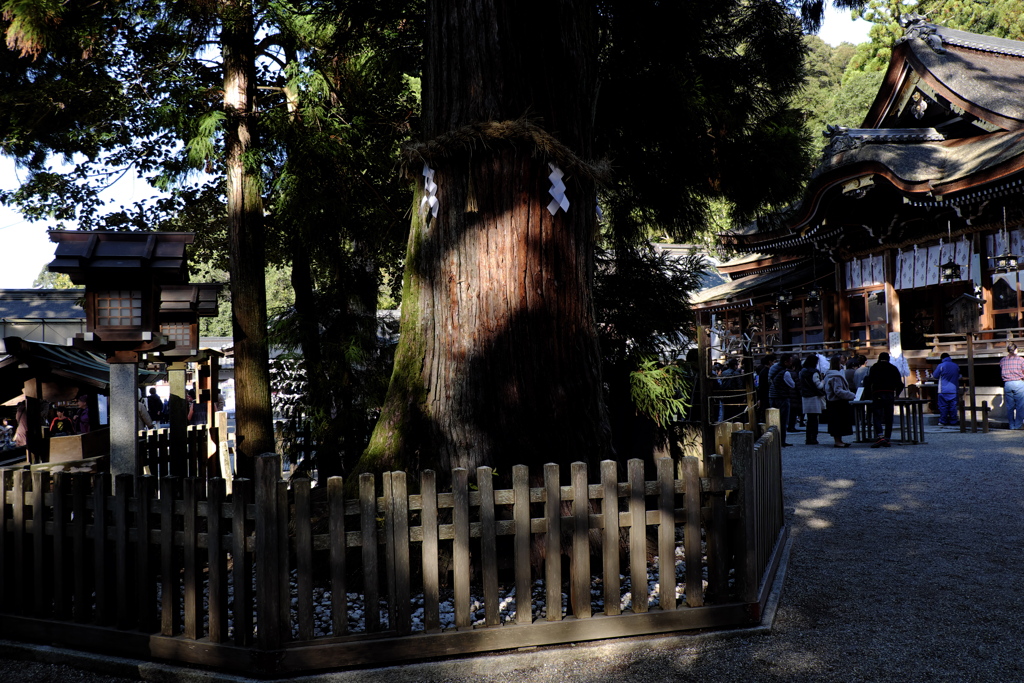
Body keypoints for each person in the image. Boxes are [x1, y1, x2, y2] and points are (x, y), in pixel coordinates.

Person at [864, 351, 904, 447]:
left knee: (877, 415)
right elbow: (900, 384)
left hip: (877, 393)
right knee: (888, 416)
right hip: (889, 393)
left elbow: (868, 381)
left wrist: (868, 394)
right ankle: (887, 438)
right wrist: (897, 394)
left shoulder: (874, 367)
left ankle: (880, 436)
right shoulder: (893, 368)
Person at [823, 355, 856, 447]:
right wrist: (851, 395)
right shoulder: (836, 376)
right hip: (837, 402)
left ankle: (839, 440)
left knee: (836, 422)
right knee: (838, 422)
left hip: (832, 402)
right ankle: (838, 441)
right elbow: (838, 391)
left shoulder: (829, 374)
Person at [767, 355, 795, 446]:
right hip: (782, 396)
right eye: (790, 361)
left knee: (773, 420)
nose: (791, 363)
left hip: (772, 395)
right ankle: (782, 440)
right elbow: (792, 385)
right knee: (783, 420)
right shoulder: (785, 372)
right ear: (785, 362)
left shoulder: (773, 368)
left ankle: (773, 440)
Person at [798, 355, 825, 445]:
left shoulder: (802, 371)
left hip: (805, 397)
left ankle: (808, 438)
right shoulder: (814, 372)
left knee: (809, 419)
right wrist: (823, 381)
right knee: (814, 419)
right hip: (814, 397)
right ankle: (813, 438)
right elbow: (819, 386)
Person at [999, 343, 1024, 430]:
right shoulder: (1021, 360)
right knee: (1020, 405)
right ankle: (1018, 425)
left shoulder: (1003, 360)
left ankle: (1011, 425)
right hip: (1018, 382)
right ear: (1016, 349)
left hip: (1007, 383)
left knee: (1010, 406)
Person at [933, 353, 961, 427]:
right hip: (954, 389)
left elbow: (935, 376)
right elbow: (959, 375)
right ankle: (953, 421)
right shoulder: (955, 365)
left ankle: (943, 421)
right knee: (953, 406)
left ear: (942, 358)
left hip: (943, 389)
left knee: (943, 406)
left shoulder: (941, 365)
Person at [719, 357, 744, 422]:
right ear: (735, 365)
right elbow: (740, 385)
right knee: (734, 412)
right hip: (734, 395)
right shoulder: (736, 374)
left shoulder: (724, 373)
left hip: (725, 394)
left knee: (727, 412)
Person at [755, 354, 776, 424]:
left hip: (766, 395)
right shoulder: (765, 372)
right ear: (770, 362)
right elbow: (762, 386)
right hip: (766, 395)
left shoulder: (765, 371)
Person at [787, 355, 804, 432]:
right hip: (794, 395)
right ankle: (792, 426)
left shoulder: (787, 372)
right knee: (793, 412)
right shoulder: (794, 373)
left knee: (792, 412)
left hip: (789, 394)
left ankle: (791, 425)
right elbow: (797, 385)